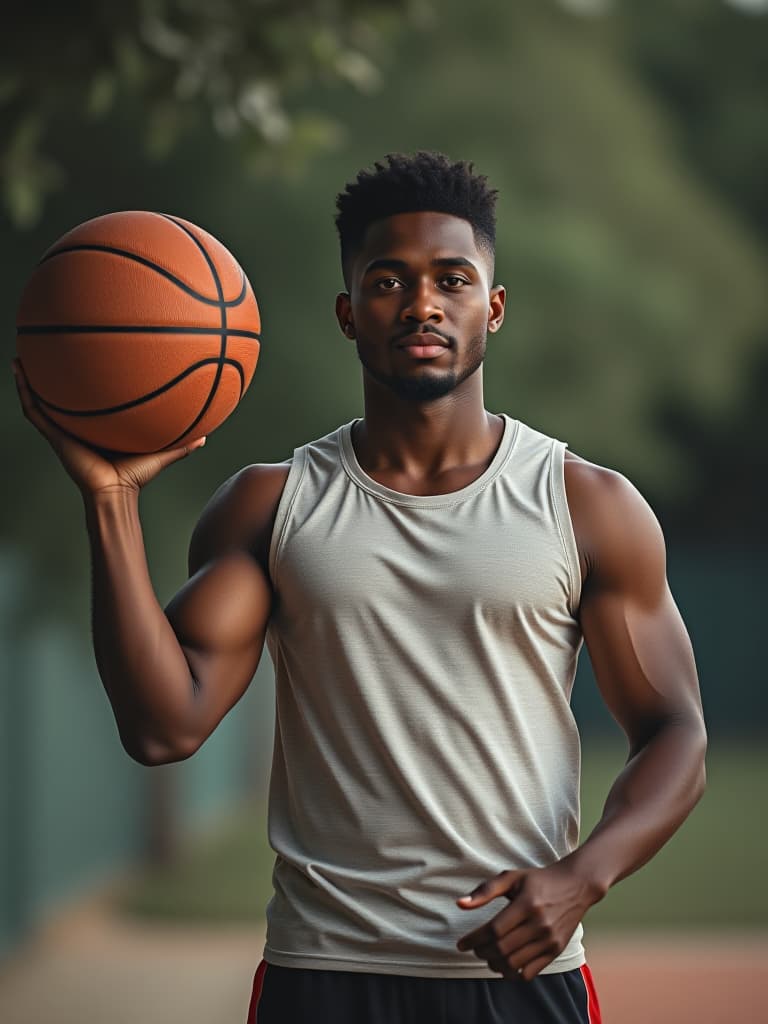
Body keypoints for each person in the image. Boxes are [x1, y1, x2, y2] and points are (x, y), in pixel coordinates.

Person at [13, 151, 706, 1024]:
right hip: (323, 975)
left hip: (518, 978)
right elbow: (163, 727)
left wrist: (581, 877)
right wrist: (110, 502)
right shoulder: (272, 506)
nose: (422, 302)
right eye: (389, 280)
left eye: (453, 279)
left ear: (492, 308)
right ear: (349, 313)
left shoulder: (587, 504)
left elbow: (677, 733)